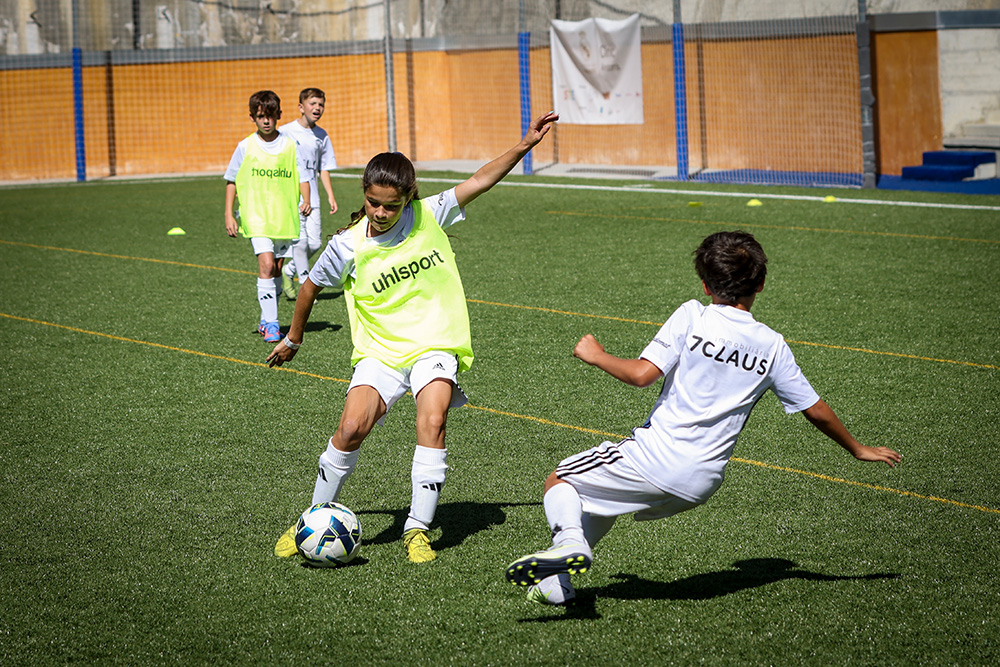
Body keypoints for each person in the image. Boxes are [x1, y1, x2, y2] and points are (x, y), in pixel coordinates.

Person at [504, 231, 902, 606]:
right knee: (599, 501)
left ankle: (569, 543)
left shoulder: (694, 315)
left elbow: (642, 375)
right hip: (701, 482)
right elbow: (813, 408)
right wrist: (857, 449)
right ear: (760, 285)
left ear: (706, 286)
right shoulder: (772, 346)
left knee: (561, 479)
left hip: (657, 458)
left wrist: (595, 354)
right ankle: (555, 585)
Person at [267, 111, 560, 563]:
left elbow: (480, 180)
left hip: (434, 345)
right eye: (372, 203)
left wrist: (524, 145)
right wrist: (294, 338)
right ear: (364, 195)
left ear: (409, 198)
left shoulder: (429, 214)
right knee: (349, 429)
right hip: (380, 351)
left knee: (433, 421)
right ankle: (313, 516)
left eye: (391, 205)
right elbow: (309, 287)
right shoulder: (347, 244)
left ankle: (417, 529)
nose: (381, 213)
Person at [224, 90, 311, 342]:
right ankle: (272, 325)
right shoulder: (245, 146)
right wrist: (229, 215)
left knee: (278, 270)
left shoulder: (290, 145)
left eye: (270, 116)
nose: (266, 121)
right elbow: (231, 181)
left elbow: (302, 175)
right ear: (252, 118)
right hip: (256, 217)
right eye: (260, 116)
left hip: (284, 217)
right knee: (267, 265)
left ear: (279, 116)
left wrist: (307, 199)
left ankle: (266, 316)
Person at [279, 87, 339, 299]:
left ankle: (289, 270)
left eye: (321, 104)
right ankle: (305, 288)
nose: (317, 108)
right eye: (313, 103)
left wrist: (330, 195)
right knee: (301, 241)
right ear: (301, 107)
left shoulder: (321, 135)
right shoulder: (285, 132)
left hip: (312, 195)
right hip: (292, 195)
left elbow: (324, 168)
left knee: (315, 243)